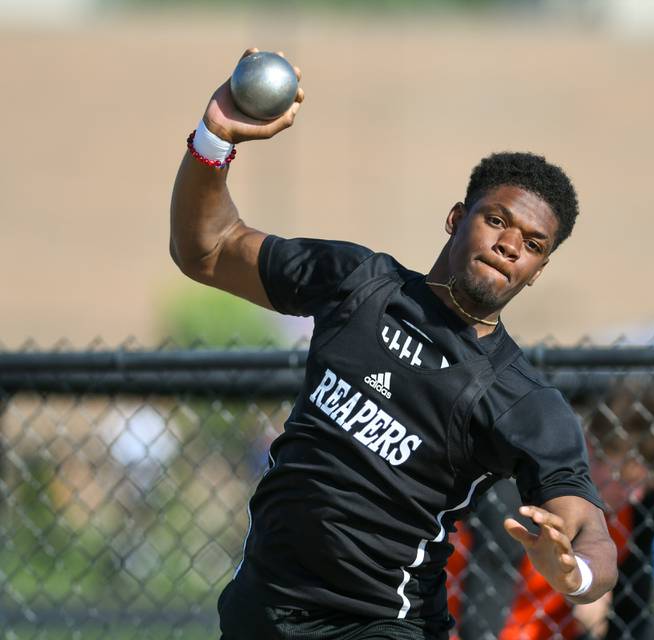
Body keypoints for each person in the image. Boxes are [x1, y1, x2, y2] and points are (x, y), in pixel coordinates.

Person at [170, 48, 618, 640]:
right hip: (261, 606)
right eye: (498, 220)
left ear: (537, 271)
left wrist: (574, 572)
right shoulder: (359, 284)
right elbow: (206, 248)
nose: (511, 245)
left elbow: (589, 533)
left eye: (534, 245)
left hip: (381, 625)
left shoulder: (519, 398)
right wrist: (215, 137)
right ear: (457, 218)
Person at [447, 387, 654, 639]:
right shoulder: (520, 491)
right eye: (624, 480)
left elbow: (631, 611)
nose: (635, 496)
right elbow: (484, 602)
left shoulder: (637, 510)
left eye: (647, 487)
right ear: (588, 448)